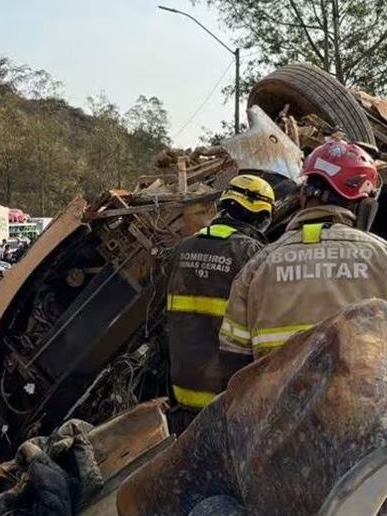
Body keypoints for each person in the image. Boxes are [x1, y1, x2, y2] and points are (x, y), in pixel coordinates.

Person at [220, 138, 387, 363]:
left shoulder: (257, 267)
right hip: (366, 399)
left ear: (303, 196)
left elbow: (233, 360)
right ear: (363, 204)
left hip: (276, 399)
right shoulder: (382, 255)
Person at [165, 173, 274, 429]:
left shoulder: (181, 249)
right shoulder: (251, 254)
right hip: (226, 399)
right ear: (260, 216)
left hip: (181, 392)